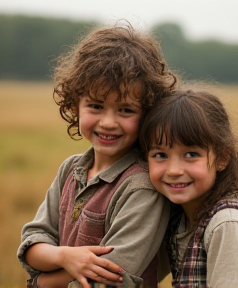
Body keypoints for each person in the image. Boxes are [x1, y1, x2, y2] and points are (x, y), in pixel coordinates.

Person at [17, 21, 177, 288]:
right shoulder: (71, 170)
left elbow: (110, 277)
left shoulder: (142, 187)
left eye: (125, 110)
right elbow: (32, 244)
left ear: (148, 113)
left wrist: (41, 283)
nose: (108, 122)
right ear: (75, 105)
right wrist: (66, 256)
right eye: (96, 106)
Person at [139, 88, 238, 287]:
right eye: (160, 155)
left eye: (191, 154)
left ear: (222, 158)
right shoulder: (179, 220)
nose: (174, 170)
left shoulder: (227, 225)